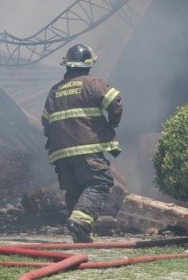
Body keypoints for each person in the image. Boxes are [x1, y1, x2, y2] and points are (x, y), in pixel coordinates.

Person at [41, 43, 123, 243]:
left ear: (67, 64)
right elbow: (115, 102)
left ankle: (79, 232)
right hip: (87, 148)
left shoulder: (54, 91)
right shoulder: (93, 83)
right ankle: (80, 221)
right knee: (100, 182)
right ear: (88, 64)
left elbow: (46, 121)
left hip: (61, 152)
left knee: (75, 189)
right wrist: (113, 123)